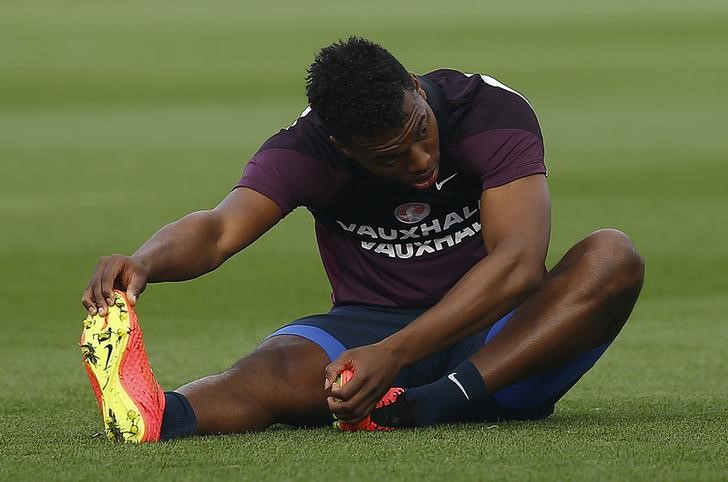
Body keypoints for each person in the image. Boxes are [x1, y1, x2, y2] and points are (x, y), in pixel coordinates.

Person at [80, 36, 644, 442]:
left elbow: (520, 265)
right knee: (268, 373)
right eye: (391, 158)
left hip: (500, 339)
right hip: (369, 323)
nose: (422, 162)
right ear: (344, 147)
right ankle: (157, 417)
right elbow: (221, 228)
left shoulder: (488, 112)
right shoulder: (307, 149)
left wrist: (394, 354)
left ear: (418, 91)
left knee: (612, 256)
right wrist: (145, 262)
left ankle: (434, 403)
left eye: (421, 133)